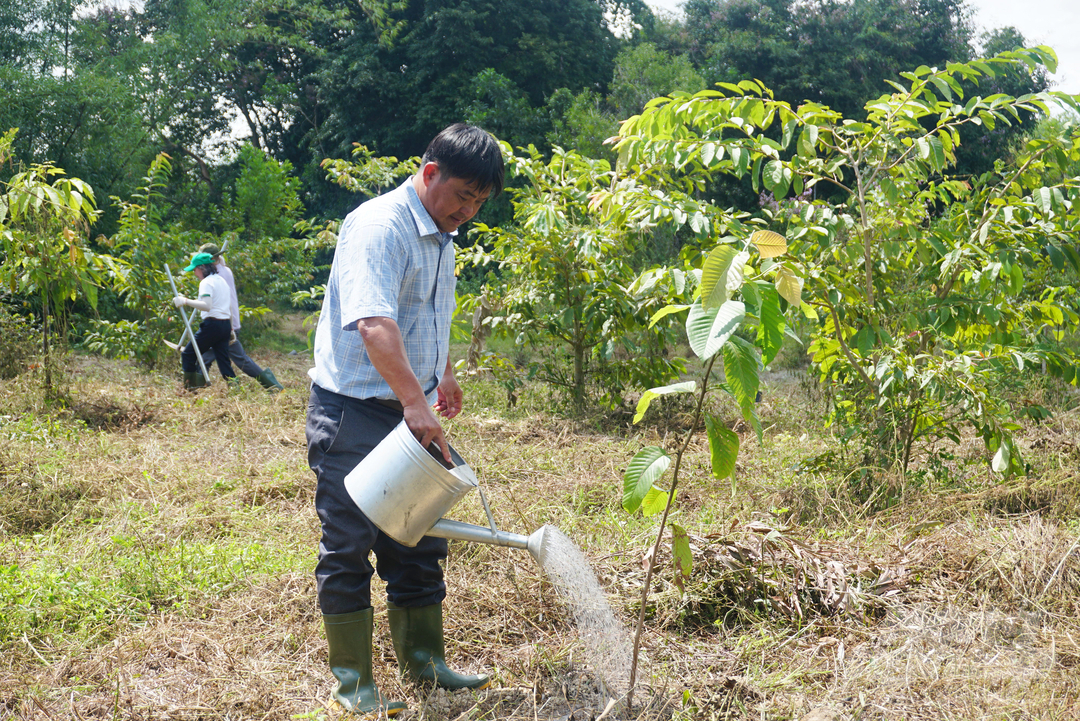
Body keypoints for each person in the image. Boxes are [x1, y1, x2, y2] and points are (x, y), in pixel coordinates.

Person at [306, 123, 504, 717]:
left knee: (421, 535)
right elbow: (374, 324)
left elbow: (427, 311)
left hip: (410, 405)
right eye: (462, 195)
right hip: (355, 410)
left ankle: (426, 663)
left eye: (479, 203)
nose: (467, 211)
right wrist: (416, 407)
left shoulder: (442, 233)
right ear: (429, 173)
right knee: (349, 543)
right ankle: (355, 684)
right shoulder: (379, 226)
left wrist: (440, 373)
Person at [186, 243, 284, 392]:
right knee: (210, 357)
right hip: (226, 321)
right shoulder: (224, 271)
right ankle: (196, 388)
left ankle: (271, 386)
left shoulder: (215, 274)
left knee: (235, 359)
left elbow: (210, 302)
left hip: (224, 322)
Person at [172, 252, 236, 389]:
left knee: (188, 354)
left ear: (202, 268)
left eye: (195, 270)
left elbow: (207, 306)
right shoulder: (221, 280)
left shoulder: (206, 283)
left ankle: (191, 387)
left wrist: (185, 301)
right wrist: (231, 329)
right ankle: (235, 388)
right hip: (224, 324)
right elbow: (229, 307)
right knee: (224, 361)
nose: (195, 273)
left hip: (212, 325)